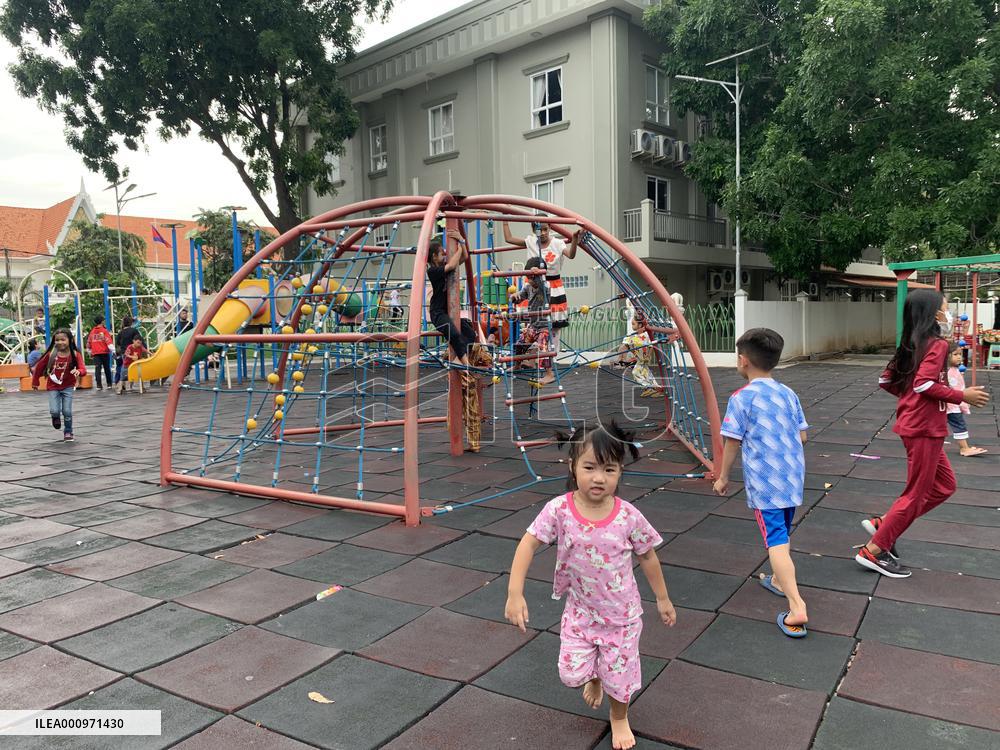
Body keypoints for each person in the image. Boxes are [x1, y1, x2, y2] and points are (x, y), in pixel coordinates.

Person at [505, 421, 676, 750]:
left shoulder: (628, 517)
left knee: (621, 679)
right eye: (590, 468)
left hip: (621, 618)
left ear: (620, 472)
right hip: (581, 613)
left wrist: (663, 599)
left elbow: (649, 557)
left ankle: (619, 716)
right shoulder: (558, 510)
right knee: (570, 675)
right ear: (573, 466)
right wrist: (515, 593)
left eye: (609, 469)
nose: (599, 478)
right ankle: (595, 676)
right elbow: (527, 544)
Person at [860, 290, 990, 576]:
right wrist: (961, 395)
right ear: (933, 314)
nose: (949, 314)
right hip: (923, 427)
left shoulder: (912, 342)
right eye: (946, 308)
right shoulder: (937, 345)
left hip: (920, 424)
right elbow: (923, 385)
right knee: (916, 494)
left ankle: (886, 524)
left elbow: (887, 380)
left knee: (945, 486)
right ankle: (873, 550)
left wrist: (909, 399)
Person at [714, 328, 810, 637]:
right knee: (783, 530)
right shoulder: (788, 393)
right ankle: (780, 581)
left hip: (766, 484)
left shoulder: (741, 399)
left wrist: (723, 476)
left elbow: (731, 442)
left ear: (743, 361)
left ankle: (796, 606)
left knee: (775, 541)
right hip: (793, 476)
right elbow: (803, 435)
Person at [503, 221, 582, 360]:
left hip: (553, 286)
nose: (543, 233)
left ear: (550, 228)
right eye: (539, 230)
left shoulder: (557, 243)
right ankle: (532, 358)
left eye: (545, 229)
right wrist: (505, 220)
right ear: (533, 230)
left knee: (554, 325)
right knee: (533, 324)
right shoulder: (531, 241)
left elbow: (571, 254)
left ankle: (550, 360)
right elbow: (509, 239)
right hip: (533, 284)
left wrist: (574, 239)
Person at [427, 230, 478, 377]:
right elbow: (451, 266)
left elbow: (465, 257)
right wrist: (460, 246)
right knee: (454, 333)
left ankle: (457, 359)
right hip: (437, 313)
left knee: (470, 333)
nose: (445, 255)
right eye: (442, 253)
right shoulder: (433, 271)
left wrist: (461, 241)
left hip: (448, 312)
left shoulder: (446, 268)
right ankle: (465, 364)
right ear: (434, 257)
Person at [31, 328, 86, 442]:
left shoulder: (75, 354)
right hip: (53, 387)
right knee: (55, 410)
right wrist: (35, 382)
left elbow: (83, 369)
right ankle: (55, 417)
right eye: (57, 340)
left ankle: (68, 431)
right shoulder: (51, 354)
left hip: (68, 386)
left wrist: (79, 372)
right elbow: (39, 367)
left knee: (67, 411)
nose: (60, 342)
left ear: (70, 340)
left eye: (63, 339)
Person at [508, 257, 555, 385]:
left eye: (532, 278)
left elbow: (542, 284)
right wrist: (514, 296)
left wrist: (539, 275)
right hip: (533, 326)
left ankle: (549, 374)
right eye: (528, 278)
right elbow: (519, 296)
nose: (530, 281)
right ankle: (517, 365)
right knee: (519, 345)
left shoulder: (545, 286)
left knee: (543, 349)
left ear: (538, 276)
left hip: (544, 326)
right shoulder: (528, 287)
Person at [946, 342, 986, 457]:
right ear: (946, 356)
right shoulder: (949, 372)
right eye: (955, 354)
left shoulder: (954, 370)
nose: (959, 357)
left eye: (960, 354)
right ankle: (964, 448)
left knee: (937, 424)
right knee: (959, 424)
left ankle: (931, 442)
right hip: (952, 404)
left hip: (953, 402)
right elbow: (952, 389)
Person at [616, 315, 660, 397]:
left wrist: (648, 355)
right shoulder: (636, 336)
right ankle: (656, 388)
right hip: (641, 358)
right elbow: (624, 347)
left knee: (636, 372)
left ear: (640, 325)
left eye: (633, 324)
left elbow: (651, 345)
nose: (632, 326)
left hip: (643, 358)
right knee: (646, 373)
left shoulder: (645, 335)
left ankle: (648, 388)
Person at [86, 315, 114, 391]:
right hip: (104, 352)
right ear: (102, 321)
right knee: (107, 368)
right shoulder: (104, 331)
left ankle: (99, 385)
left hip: (96, 353)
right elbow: (109, 342)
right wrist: (113, 351)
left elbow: (88, 343)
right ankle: (109, 384)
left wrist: (89, 351)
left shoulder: (92, 331)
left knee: (97, 369)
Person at [114, 317, 140, 386]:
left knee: (124, 367)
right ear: (131, 323)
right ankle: (131, 383)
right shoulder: (134, 331)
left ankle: (121, 383)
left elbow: (118, 343)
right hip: (134, 352)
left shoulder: (120, 332)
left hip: (124, 352)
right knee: (134, 367)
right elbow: (139, 340)